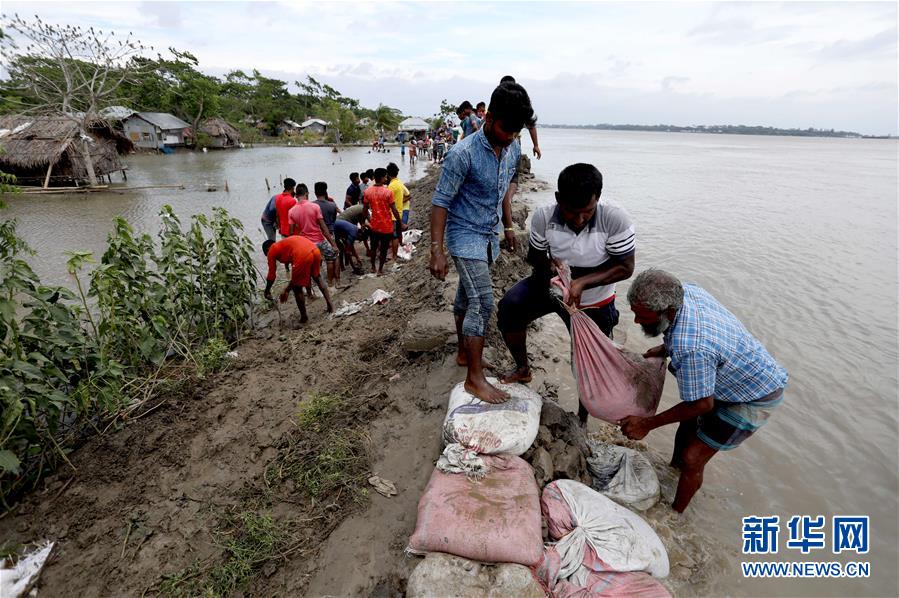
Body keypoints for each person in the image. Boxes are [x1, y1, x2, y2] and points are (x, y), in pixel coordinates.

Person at [620, 269, 789, 513]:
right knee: (687, 425)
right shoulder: (688, 292)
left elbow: (701, 404)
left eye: (643, 317)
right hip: (729, 373)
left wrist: (647, 424)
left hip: (754, 396)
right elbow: (685, 332)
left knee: (693, 458)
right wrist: (665, 347)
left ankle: (675, 514)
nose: (636, 321)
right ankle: (672, 471)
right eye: (635, 314)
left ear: (668, 311)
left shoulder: (691, 347)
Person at [498, 163, 635, 424]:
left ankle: (583, 418)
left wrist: (582, 283)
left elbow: (625, 267)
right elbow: (534, 256)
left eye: (587, 212)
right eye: (572, 212)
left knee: (589, 362)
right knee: (510, 307)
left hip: (595, 301)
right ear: (559, 199)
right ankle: (523, 369)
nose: (579, 219)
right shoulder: (543, 217)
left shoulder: (615, 218)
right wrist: (552, 269)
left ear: (598, 198)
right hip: (553, 287)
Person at [429, 82, 534, 404]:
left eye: (517, 131)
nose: (511, 136)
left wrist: (509, 227)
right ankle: (474, 378)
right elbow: (440, 201)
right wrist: (437, 251)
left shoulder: (513, 145)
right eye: (506, 129)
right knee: (484, 301)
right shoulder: (462, 153)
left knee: (466, 296)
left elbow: (505, 189)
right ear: (488, 118)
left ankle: (464, 353)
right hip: (463, 235)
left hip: (488, 235)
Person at [262, 236, 333, 323]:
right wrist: (287, 289)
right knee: (317, 277)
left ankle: (304, 317)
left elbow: (271, 275)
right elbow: (296, 276)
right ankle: (330, 305)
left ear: (267, 249)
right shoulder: (284, 245)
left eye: (266, 254)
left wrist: (267, 290)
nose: (268, 256)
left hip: (303, 254)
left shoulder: (272, 250)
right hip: (315, 250)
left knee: (297, 289)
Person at [287, 183, 340, 286]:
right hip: (320, 240)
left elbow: (291, 234)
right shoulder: (314, 206)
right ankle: (330, 283)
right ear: (306, 193)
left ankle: (312, 289)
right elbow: (324, 228)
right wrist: (333, 244)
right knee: (331, 258)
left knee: (310, 266)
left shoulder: (291, 211)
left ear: (296, 195)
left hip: (307, 244)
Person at [363, 167, 402, 276]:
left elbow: (365, 210)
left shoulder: (367, 192)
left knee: (374, 247)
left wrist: (368, 221)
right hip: (386, 225)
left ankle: (372, 267)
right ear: (382, 177)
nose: (386, 178)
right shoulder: (388, 192)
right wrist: (399, 221)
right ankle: (380, 270)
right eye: (385, 176)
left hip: (374, 225)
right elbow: (394, 209)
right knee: (384, 249)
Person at [499, 76, 541, 159]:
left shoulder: (521, 105)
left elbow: (531, 124)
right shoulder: (497, 102)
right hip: (498, 143)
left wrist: (536, 145)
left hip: (513, 143)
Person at [386, 162, 411, 261]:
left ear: (388, 174)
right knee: (398, 233)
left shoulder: (391, 186)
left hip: (393, 214)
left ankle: (394, 256)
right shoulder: (399, 183)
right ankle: (400, 245)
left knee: (394, 236)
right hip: (399, 212)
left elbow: (388, 202)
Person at [335, 203, 366, 273]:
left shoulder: (355, 229)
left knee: (345, 247)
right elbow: (348, 252)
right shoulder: (353, 234)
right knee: (340, 249)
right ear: (360, 235)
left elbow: (351, 246)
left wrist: (357, 258)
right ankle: (341, 267)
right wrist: (354, 268)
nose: (358, 240)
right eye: (359, 239)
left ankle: (344, 265)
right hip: (333, 230)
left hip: (338, 226)